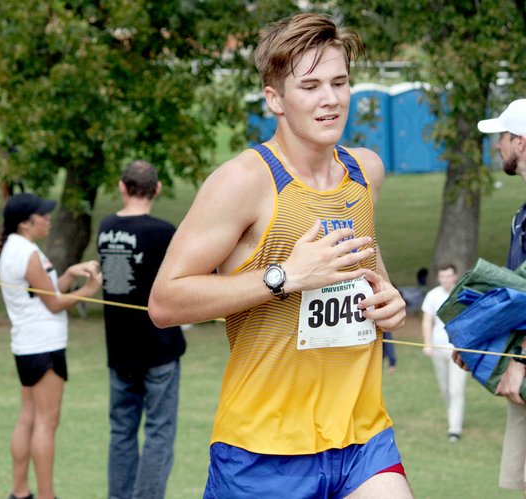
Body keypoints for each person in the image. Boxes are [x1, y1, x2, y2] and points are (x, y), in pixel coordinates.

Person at [148, 13, 411, 498]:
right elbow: (165, 302)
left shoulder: (365, 173)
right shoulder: (242, 183)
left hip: (362, 438)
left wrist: (390, 302)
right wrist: (284, 276)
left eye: (339, 82)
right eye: (310, 86)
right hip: (263, 452)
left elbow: (372, 276)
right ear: (275, 100)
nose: (330, 99)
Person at [0, 192, 102, 499]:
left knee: (29, 417)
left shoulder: (17, 248)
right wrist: (89, 290)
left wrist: (68, 274)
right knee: (46, 423)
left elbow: (41, 293)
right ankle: (47, 495)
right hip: (44, 346)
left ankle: (20, 491)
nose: (49, 218)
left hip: (27, 345)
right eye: (43, 214)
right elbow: (52, 304)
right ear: (26, 222)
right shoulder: (27, 254)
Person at [96, 161, 186, 499]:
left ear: (122, 186)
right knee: (159, 432)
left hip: (120, 349)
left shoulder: (105, 228)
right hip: (159, 349)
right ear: (157, 189)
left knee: (122, 431)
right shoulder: (163, 232)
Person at [475, 98, 526, 492]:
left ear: (521, 143)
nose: (497, 147)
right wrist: (480, 341)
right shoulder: (521, 216)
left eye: (502, 138)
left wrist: (521, 361)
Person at [421, 263, 466, 441]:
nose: (446, 280)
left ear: (454, 277)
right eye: (443, 277)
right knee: (445, 388)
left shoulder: (462, 294)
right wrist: (427, 343)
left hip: (458, 350)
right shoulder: (433, 295)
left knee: (456, 389)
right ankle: (452, 415)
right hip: (439, 348)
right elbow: (427, 321)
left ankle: (454, 428)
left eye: (449, 276)